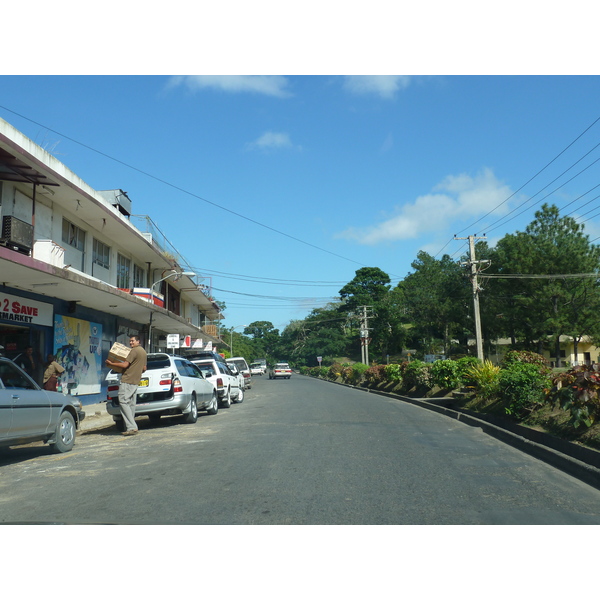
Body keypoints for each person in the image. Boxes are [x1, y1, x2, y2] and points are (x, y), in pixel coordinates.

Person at [105, 335, 147, 436]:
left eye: (132, 341)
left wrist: (111, 363)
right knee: (131, 404)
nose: (131, 343)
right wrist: (136, 370)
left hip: (127, 379)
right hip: (136, 381)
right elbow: (144, 368)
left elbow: (125, 365)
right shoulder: (143, 352)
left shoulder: (134, 351)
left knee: (123, 401)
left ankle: (132, 427)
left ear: (138, 341)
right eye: (130, 341)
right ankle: (131, 427)